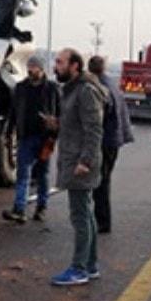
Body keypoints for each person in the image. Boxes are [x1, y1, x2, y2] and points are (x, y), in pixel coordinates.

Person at [50, 48, 107, 286]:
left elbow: (94, 128)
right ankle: (90, 265)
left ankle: (79, 268)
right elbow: (77, 124)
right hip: (76, 159)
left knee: (80, 216)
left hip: (81, 163)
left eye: (60, 62)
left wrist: (85, 161)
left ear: (74, 65)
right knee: (86, 213)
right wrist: (59, 124)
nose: (56, 66)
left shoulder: (85, 91)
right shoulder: (72, 90)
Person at [2, 55, 59, 224]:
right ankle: (19, 209)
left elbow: (61, 112)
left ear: (41, 69)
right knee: (23, 173)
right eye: (29, 66)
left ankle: (41, 207)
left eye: (34, 66)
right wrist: (8, 132)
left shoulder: (52, 88)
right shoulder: (20, 88)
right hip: (25, 137)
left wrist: (55, 131)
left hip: (45, 138)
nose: (31, 69)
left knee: (42, 174)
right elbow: (13, 111)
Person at [88, 55, 134, 233]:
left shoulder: (98, 88)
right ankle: (102, 219)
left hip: (105, 141)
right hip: (114, 140)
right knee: (103, 181)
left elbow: (97, 119)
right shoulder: (111, 84)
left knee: (100, 183)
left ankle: (102, 221)